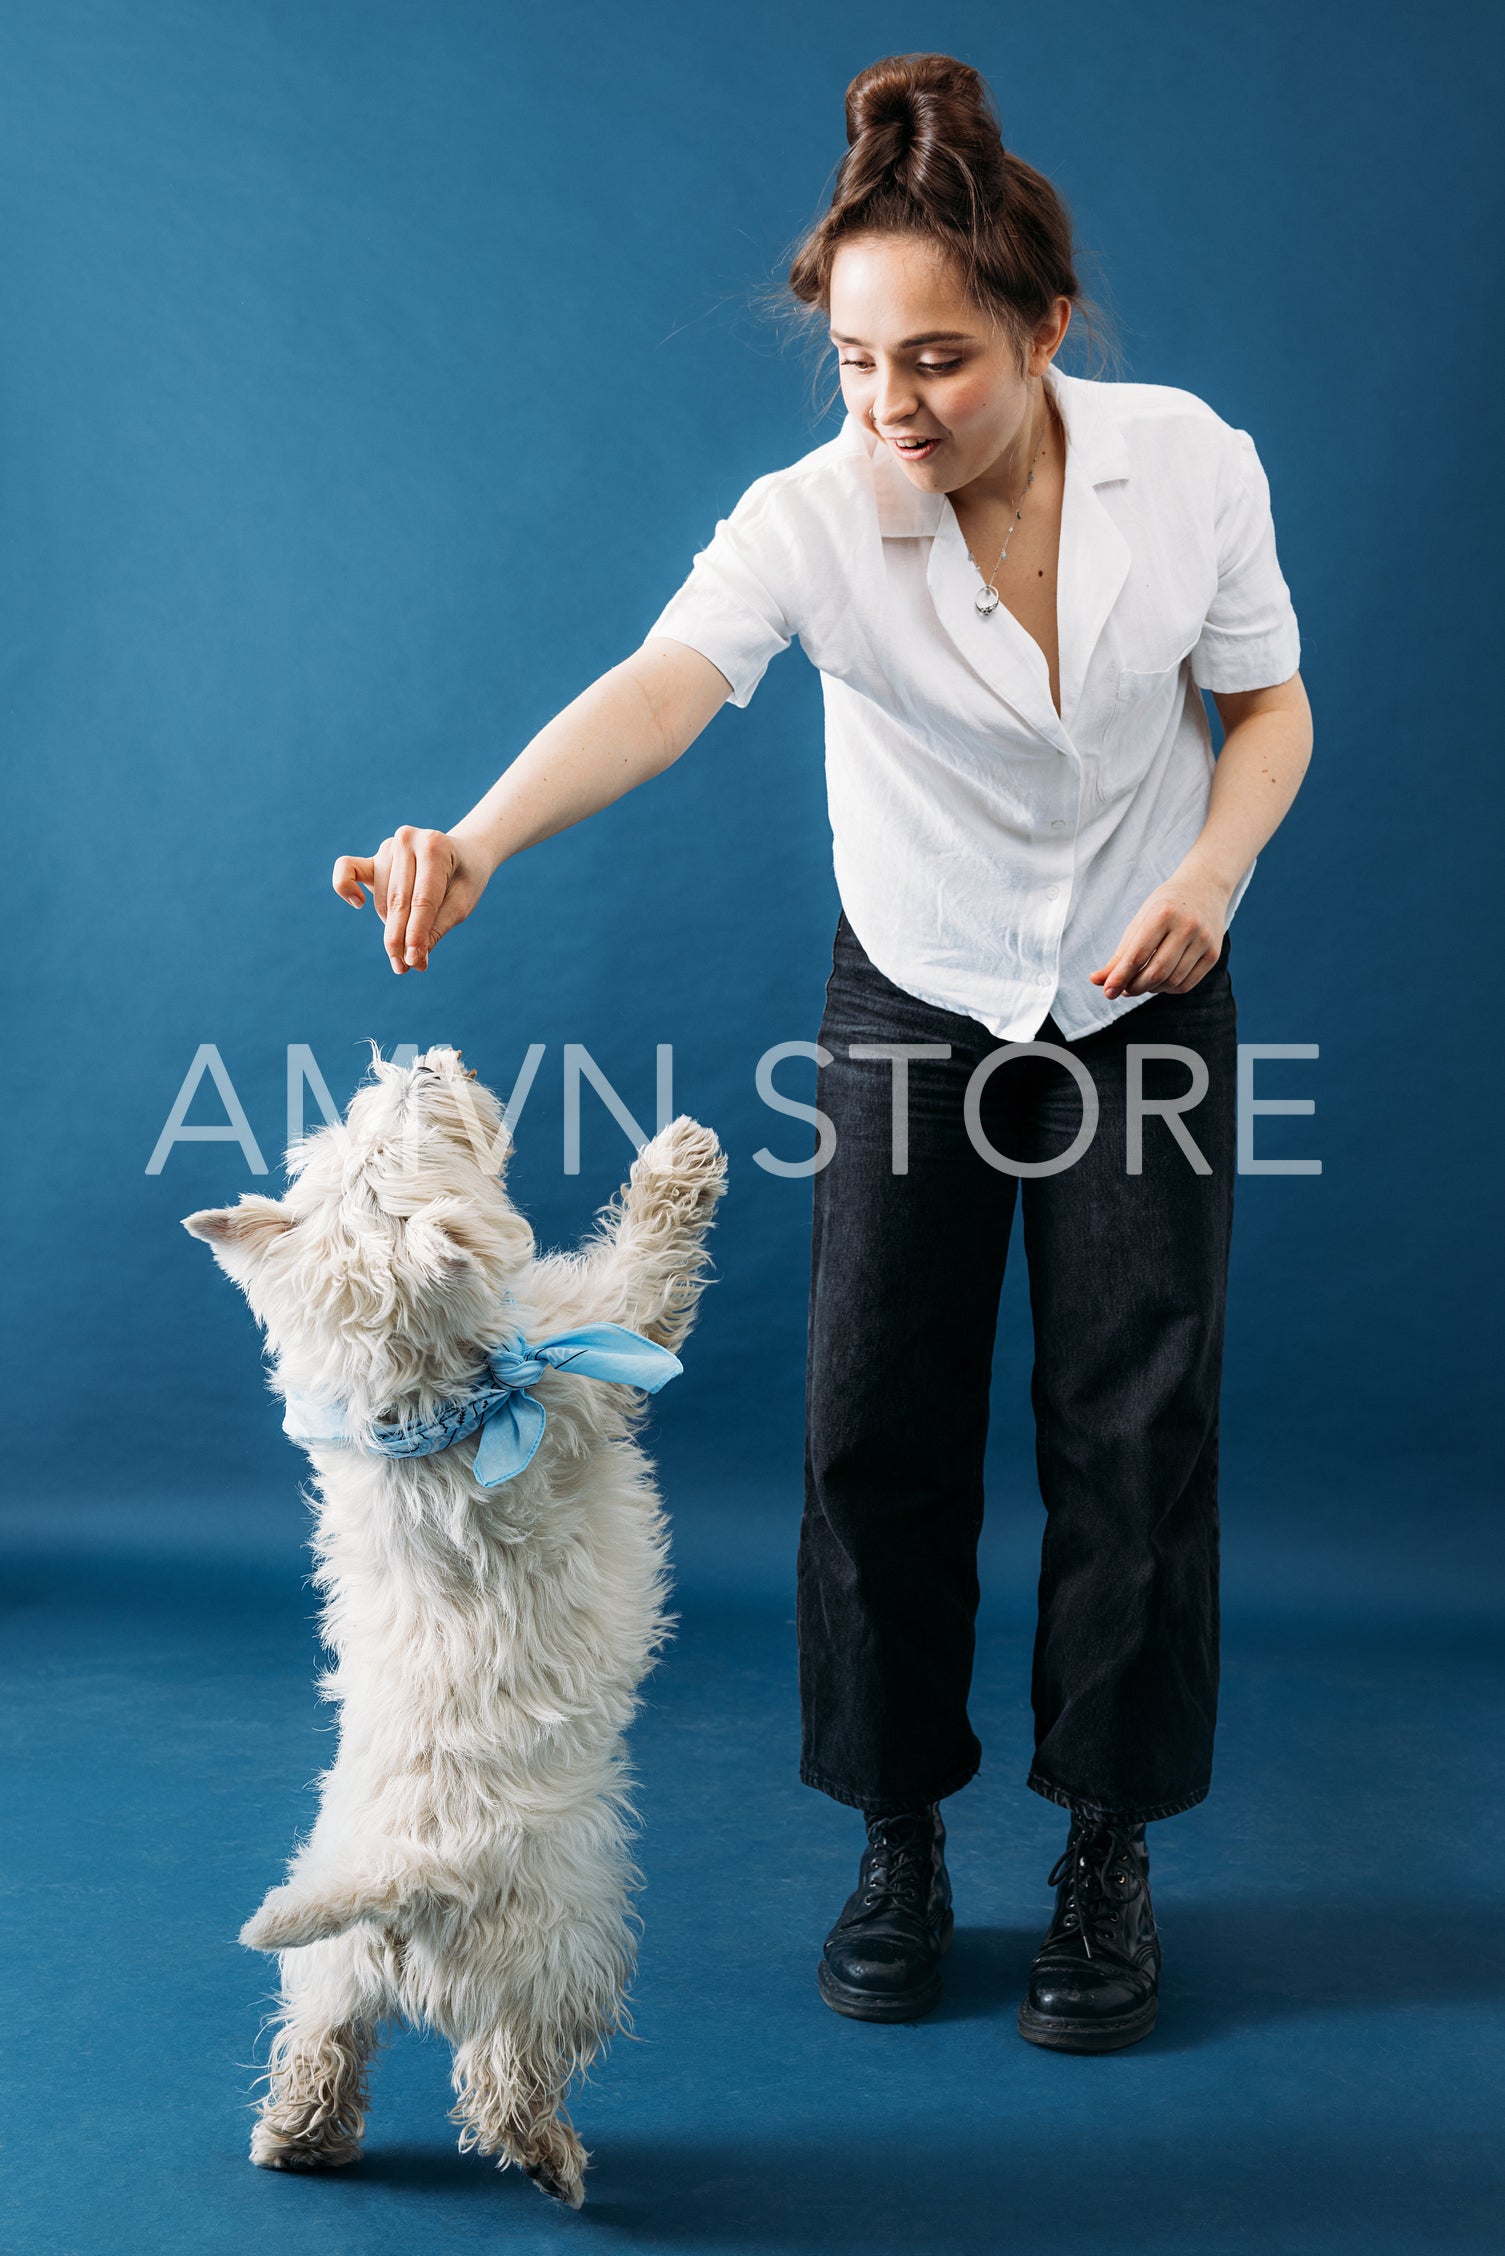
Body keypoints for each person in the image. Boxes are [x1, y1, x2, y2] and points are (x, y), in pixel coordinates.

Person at [332, 52, 1312, 2054]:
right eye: (858, 362)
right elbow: (664, 689)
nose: (892, 406)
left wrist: (1214, 870)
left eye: (938, 359)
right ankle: (900, 1831)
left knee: (1139, 1429)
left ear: (1043, 330)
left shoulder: (1194, 464)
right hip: (920, 989)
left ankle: (1104, 1850)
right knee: (878, 1421)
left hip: (1144, 990)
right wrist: (481, 837)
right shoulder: (812, 519)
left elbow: (1270, 711)